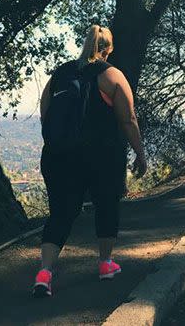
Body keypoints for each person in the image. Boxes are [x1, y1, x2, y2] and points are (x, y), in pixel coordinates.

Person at [32, 25, 147, 297]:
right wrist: (140, 153)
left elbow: (46, 116)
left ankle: (44, 273)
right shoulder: (112, 76)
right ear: (108, 49)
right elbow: (128, 120)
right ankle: (106, 264)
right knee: (106, 204)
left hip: (59, 157)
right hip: (101, 156)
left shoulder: (60, 75)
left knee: (60, 214)